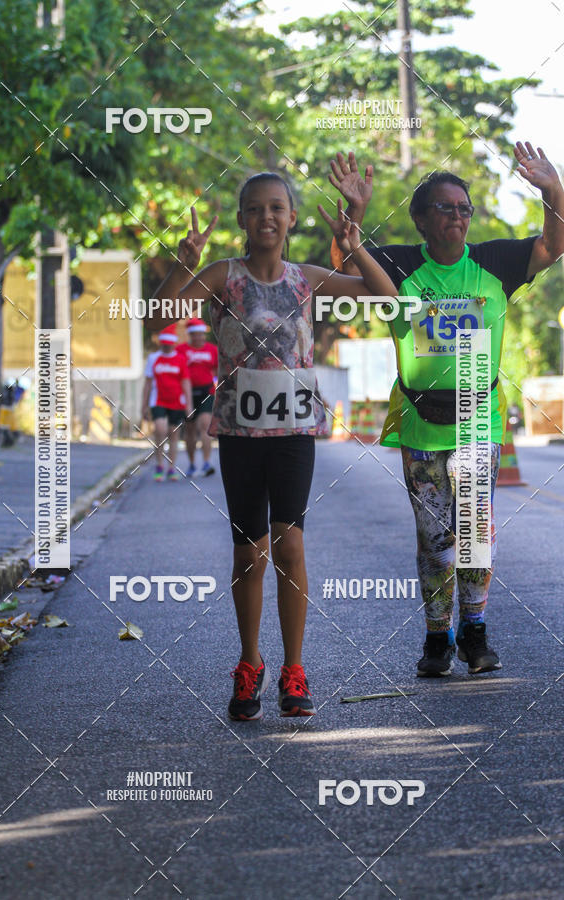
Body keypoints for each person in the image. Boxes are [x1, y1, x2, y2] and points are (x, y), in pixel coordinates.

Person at [154, 169, 398, 719]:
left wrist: (356, 245)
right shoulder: (223, 276)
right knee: (249, 553)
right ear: (242, 220)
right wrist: (183, 264)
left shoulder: (306, 278)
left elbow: (386, 299)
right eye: (255, 208)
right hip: (240, 435)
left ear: (290, 218)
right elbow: (157, 319)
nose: (267, 217)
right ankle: (249, 664)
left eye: (277, 208)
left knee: (290, 547)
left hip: (293, 434)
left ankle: (294, 668)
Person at [329, 141, 564, 676]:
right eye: (445, 207)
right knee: (436, 540)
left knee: (476, 532)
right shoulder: (399, 263)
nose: (457, 216)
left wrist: (552, 190)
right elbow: (348, 269)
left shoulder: (495, 262)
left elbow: (554, 244)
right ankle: (438, 636)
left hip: (478, 420)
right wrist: (352, 223)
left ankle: (475, 634)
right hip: (420, 422)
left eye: (465, 208)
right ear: (420, 219)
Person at [142, 326, 192, 482]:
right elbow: (148, 384)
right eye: (164, 344)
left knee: (173, 433)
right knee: (160, 429)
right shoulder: (153, 358)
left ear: (173, 344)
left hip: (177, 402)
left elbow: (185, 383)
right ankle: (159, 464)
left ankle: (171, 467)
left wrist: (189, 405)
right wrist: (143, 405)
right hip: (158, 400)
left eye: (169, 344)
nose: (166, 347)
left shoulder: (180, 359)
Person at [179, 318, 218, 477]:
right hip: (187, 393)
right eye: (195, 335)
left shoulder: (212, 350)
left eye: (201, 334)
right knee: (190, 430)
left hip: (206, 391)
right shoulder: (181, 350)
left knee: (205, 425)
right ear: (190, 335)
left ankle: (207, 462)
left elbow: (217, 370)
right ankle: (192, 463)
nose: (198, 338)